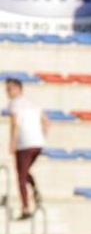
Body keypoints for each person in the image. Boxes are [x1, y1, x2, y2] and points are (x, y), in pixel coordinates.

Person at [5, 79, 47, 220]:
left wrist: (12, 142)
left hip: (24, 144)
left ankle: (25, 207)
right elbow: (46, 121)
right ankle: (35, 189)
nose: (8, 92)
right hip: (37, 144)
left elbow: (15, 124)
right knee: (25, 171)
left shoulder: (14, 104)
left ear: (18, 88)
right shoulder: (33, 104)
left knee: (21, 176)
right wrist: (42, 137)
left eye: (10, 89)